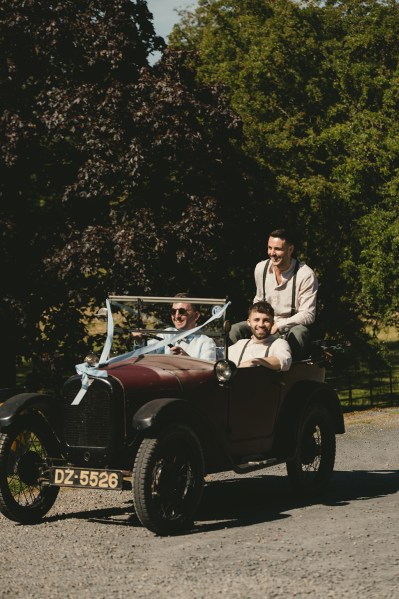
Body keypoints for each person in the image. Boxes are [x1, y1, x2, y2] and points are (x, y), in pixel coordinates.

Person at [229, 228, 318, 361]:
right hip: (264, 322)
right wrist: (256, 321)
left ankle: (289, 373)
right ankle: (232, 370)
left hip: (289, 327)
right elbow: (258, 301)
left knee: (300, 333)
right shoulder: (260, 268)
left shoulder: (305, 274)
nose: (272, 253)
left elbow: (308, 315)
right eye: (269, 248)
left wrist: (279, 325)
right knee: (234, 330)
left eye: (277, 249)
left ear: (290, 249)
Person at [133, 293, 217, 361]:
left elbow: (208, 373)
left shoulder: (206, 342)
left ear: (196, 316)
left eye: (182, 311)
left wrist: (186, 360)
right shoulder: (166, 334)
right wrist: (139, 341)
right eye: (173, 311)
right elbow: (145, 354)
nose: (177, 316)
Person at [228, 301, 292, 371]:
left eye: (266, 320)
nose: (261, 325)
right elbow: (219, 359)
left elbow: (283, 361)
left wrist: (255, 361)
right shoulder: (240, 344)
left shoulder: (279, 343)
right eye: (256, 320)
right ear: (249, 322)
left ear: (272, 323)